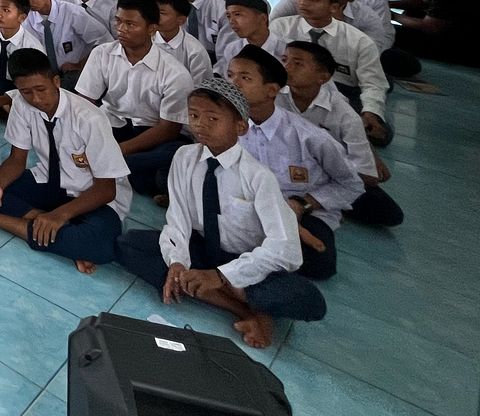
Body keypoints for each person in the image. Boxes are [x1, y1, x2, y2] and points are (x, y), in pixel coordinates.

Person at [112, 76, 326, 349]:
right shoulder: (184, 158)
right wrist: (177, 262)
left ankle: (213, 286)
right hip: (203, 250)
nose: (200, 124)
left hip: (249, 260)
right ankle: (244, 309)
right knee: (127, 245)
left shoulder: (258, 177)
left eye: (212, 118)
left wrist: (221, 276)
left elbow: (286, 250)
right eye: (194, 115)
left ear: (240, 127)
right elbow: (177, 221)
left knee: (308, 300)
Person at [0, 49, 131, 274]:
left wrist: (59, 215)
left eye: (41, 90)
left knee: (102, 248)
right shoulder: (23, 106)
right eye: (26, 92)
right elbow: (16, 160)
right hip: (49, 183)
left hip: (89, 196)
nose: (36, 99)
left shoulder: (90, 119)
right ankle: (42, 222)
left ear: (56, 81)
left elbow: (105, 190)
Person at [225, 47, 362, 281]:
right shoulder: (226, 125)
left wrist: (302, 205)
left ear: (271, 90)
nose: (233, 84)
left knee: (319, 264)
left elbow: (351, 185)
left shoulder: (309, 137)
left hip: (302, 209)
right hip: (247, 204)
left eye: (245, 78)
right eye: (230, 76)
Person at [76, 0, 194, 197]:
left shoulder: (175, 73)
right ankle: (119, 166)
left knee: (175, 154)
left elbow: (167, 130)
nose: (121, 29)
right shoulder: (102, 53)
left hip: (151, 134)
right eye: (118, 21)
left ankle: (113, 164)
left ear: (151, 29)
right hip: (112, 126)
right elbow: (83, 104)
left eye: (130, 24)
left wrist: (116, 151)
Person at [279, 41, 403, 228]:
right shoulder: (274, 96)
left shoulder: (344, 114)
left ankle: (318, 202)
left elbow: (366, 174)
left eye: (298, 64)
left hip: (331, 174)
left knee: (389, 214)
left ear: (323, 77)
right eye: (285, 60)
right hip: (282, 165)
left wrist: (321, 176)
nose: (287, 67)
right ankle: (322, 204)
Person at [271, 0, 391, 147]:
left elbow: (373, 82)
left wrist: (371, 112)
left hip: (343, 91)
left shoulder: (358, 40)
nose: (303, 3)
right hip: (291, 87)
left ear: (334, 7)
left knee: (378, 134)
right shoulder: (280, 28)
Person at [18, 0, 107, 80]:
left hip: (75, 74)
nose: (26, 0)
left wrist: (81, 64)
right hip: (43, 76)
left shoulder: (72, 13)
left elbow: (104, 41)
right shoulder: (23, 18)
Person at [215, 0, 285, 74]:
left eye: (237, 14)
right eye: (228, 16)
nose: (231, 21)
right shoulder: (232, 49)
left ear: (263, 18)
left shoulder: (286, 50)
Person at [153, 0, 213, 85]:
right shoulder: (143, 39)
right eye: (153, 12)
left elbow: (200, 88)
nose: (154, 17)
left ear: (181, 20)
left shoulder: (195, 51)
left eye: (162, 13)